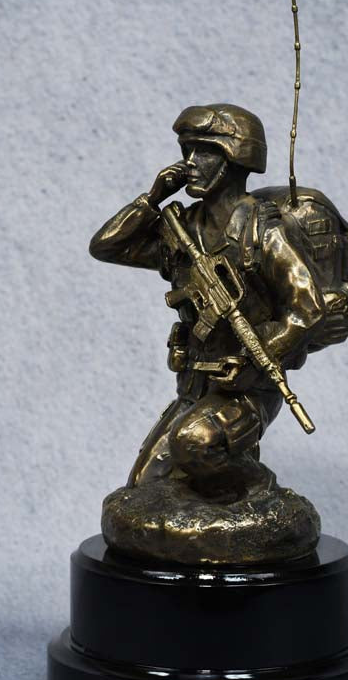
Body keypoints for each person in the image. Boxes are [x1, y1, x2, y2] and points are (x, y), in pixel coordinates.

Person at [90, 104, 325, 499]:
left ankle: (257, 487)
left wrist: (254, 358)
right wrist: (152, 199)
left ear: (236, 158)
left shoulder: (262, 233)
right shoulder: (182, 229)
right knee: (143, 489)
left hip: (247, 391)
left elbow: (308, 308)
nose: (190, 163)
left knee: (194, 442)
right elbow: (106, 247)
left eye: (205, 152)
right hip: (194, 386)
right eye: (187, 151)